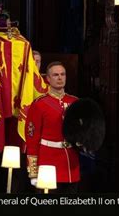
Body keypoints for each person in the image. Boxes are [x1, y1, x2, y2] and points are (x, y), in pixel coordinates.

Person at [25, 61, 79, 193]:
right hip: (48, 163)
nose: (60, 78)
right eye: (55, 75)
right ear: (48, 79)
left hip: (71, 164)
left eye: (63, 74)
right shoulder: (39, 104)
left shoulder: (75, 102)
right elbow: (32, 139)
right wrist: (33, 172)